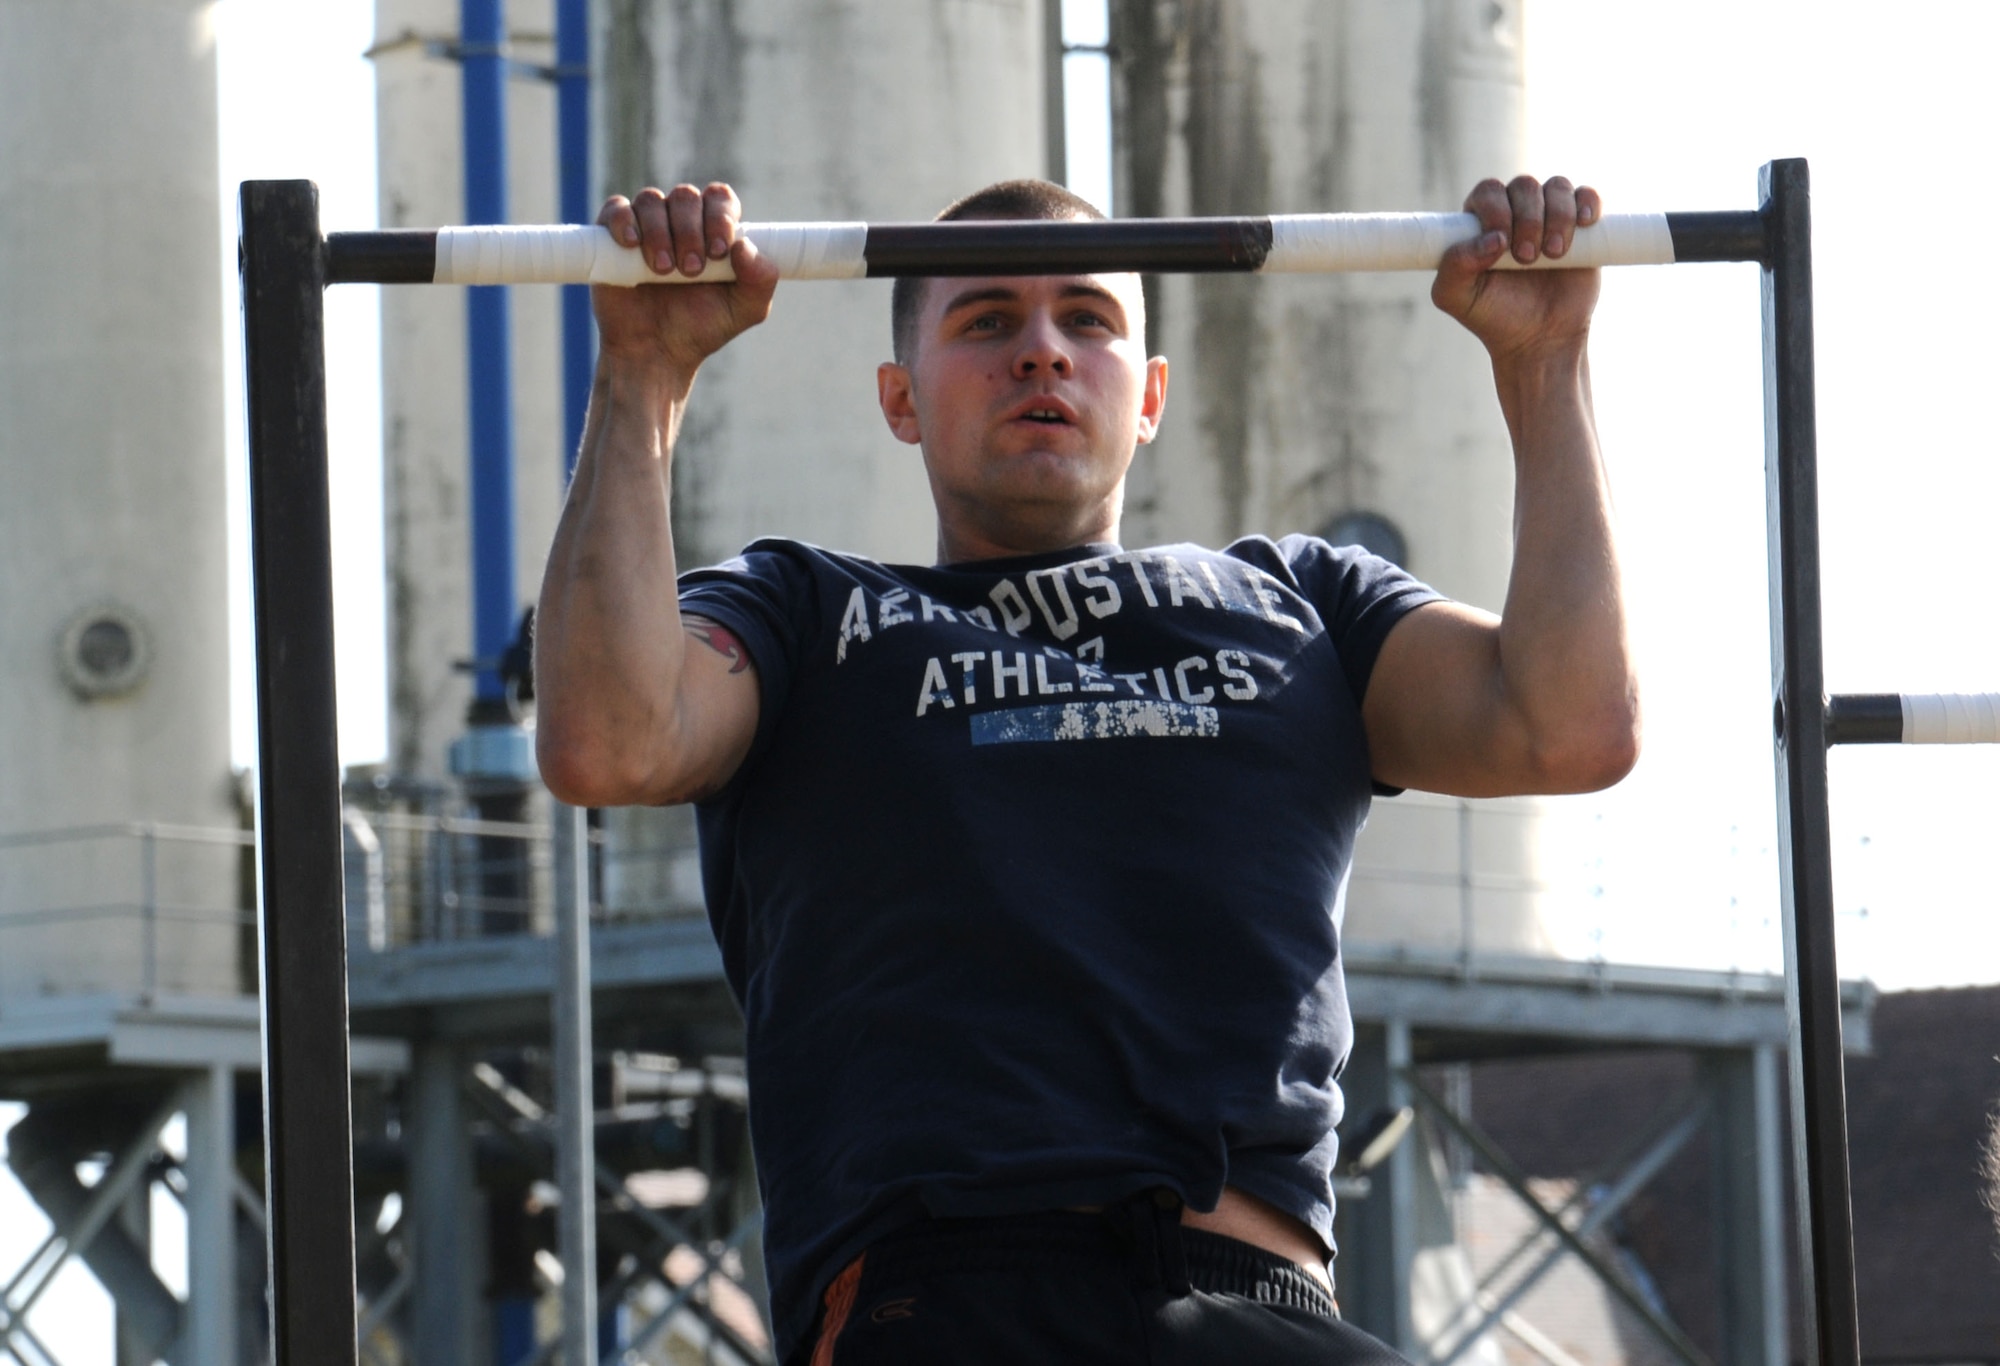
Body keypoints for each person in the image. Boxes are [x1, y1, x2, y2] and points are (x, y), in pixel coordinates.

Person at [535, 172, 1638, 1365]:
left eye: (1088, 320)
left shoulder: (1301, 602)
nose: (1042, 354)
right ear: (900, 400)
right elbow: (611, 737)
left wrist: (1545, 365)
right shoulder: (804, 610)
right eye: (986, 321)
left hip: (1256, 1303)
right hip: (951, 1297)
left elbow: (1564, 723)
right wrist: (641, 379)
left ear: (1150, 393)